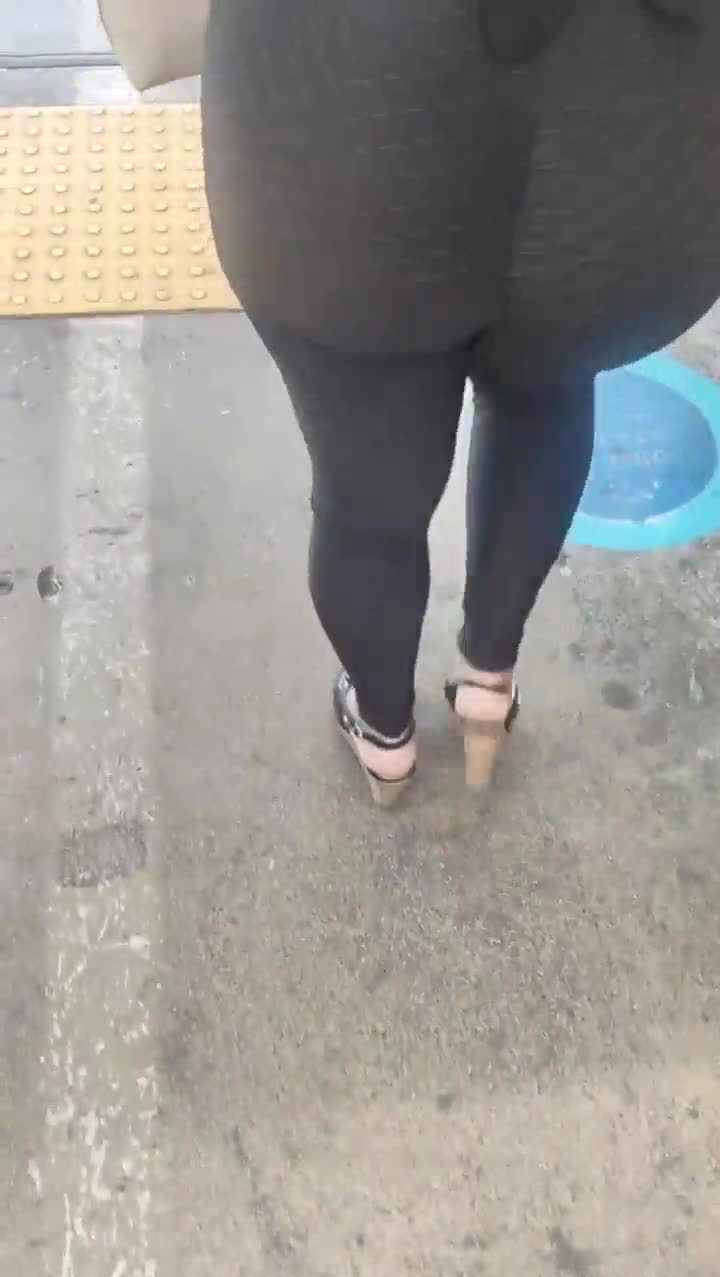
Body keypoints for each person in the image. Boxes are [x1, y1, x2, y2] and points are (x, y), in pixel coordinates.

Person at [202, 0, 720, 804]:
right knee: (550, 384)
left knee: (367, 494)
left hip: (348, 132)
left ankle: (385, 734)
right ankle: (489, 682)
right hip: (615, 136)